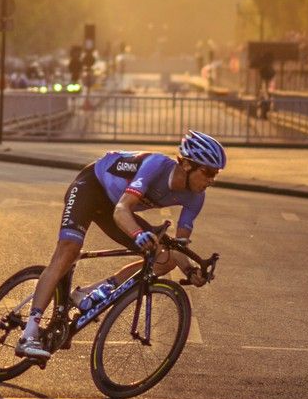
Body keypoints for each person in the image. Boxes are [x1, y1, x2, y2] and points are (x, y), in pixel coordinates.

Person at [15, 130, 224, 360]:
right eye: (208, 172)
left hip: (114, 206)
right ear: (186, 165)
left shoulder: (196, 197)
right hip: (92, 188)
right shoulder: (156, 165)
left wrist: (191, 270)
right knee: (68, 250)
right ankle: (29, 334)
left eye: (216, 174)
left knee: (165, 260)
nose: (211, 180)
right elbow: (123, 210)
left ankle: (88, 293)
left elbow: (179, 247)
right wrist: (138, 234)